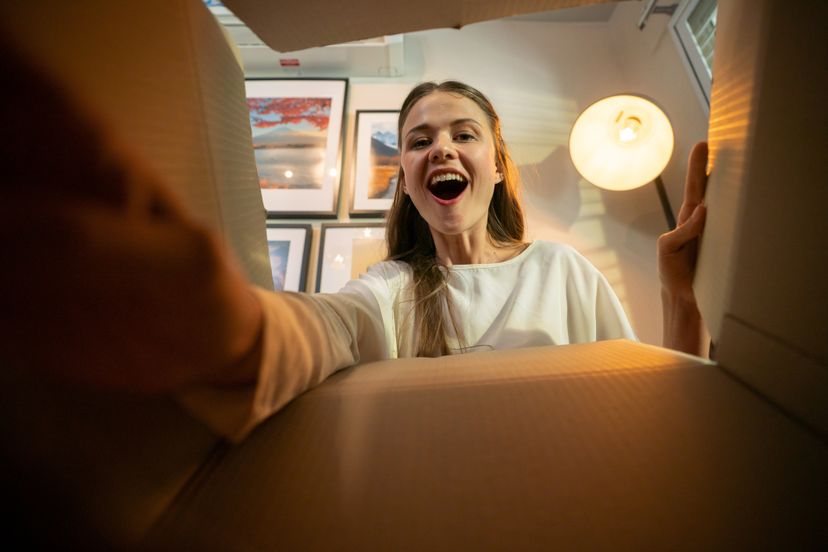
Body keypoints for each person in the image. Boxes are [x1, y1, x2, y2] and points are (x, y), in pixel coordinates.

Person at [1, 43, 707, 441]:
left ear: (496, 165)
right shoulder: (393, 287)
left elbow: (657, 414)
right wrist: (243, 330)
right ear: (407, 181)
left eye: (463, 134)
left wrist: (681, 295)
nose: (441, 149)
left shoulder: (563, 269)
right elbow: (334, 322)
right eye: (419, 141)